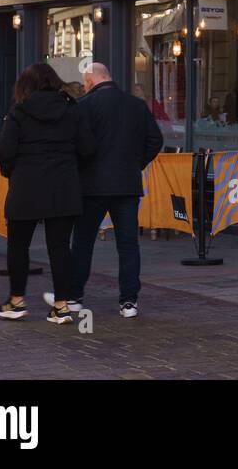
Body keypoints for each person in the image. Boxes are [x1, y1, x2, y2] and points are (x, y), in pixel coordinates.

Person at [0, 63, 96, 324]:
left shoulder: (19, 111)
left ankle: (16, 301)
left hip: (26, 185)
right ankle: (61, 306)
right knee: (60, 247)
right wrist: (71, 169)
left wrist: (11, 172)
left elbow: (5, 150)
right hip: (63, 185)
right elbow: (87, 149)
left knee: (18, 245)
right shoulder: (72, 109)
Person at [67, 62, 163, 318]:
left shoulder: (85, 106)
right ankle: (129, 301)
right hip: (127, 184)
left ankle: (75, 296)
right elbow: (155, 140)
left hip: (92, 185)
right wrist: (136, 163)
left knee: (83, 242)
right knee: (128, 244)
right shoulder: (136, 105)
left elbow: (76, 145)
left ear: (89, 80)